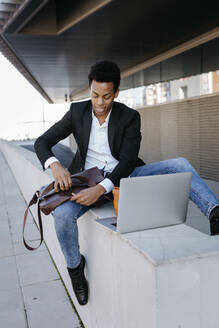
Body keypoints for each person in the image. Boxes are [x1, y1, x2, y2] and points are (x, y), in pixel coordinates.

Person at [34, 60, 219, 306]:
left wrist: (102, 189)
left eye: (106, 96)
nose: (100, 103)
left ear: (116, 93)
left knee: (180, 164)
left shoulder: (129, 117)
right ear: (90, 89)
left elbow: (128, 161)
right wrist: (55, 165)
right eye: (95, 95)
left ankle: (214, 213)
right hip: (86, 181)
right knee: (62, 216)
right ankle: (75, 270)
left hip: (125, 178)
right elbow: (42, 142)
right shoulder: (77, 112)